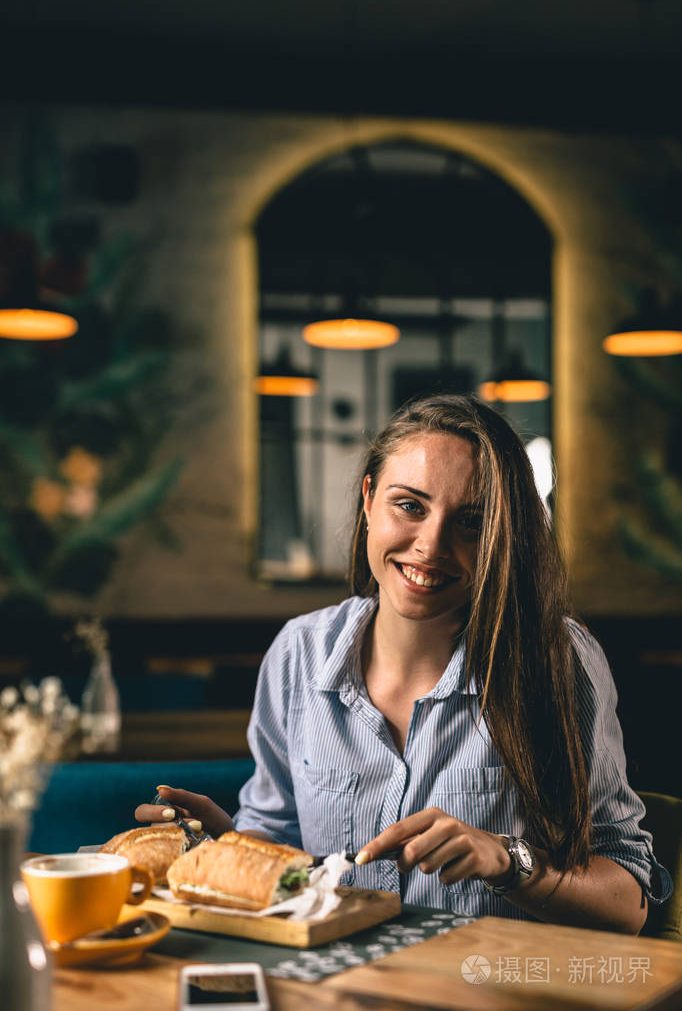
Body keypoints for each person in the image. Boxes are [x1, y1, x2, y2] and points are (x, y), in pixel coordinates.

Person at [136, 394, 671, 933]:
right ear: (369, 500)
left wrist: (508, 862)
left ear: (500, 536)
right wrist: (221, 844)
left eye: (470, 521)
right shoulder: (297, 655)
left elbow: (629, 902)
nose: (431, 545)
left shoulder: (559, 660)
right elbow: (281, 849)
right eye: (410, 506)